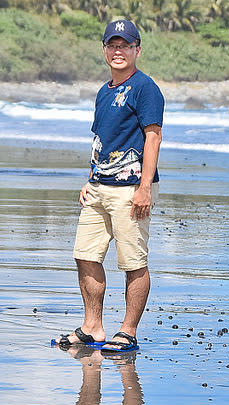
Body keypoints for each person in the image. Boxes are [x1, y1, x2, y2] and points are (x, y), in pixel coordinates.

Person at [54, 18, 164, 353]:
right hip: (99, 186)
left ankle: (128, 331)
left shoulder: (145, 88)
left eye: (125, 45)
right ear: (104, 50)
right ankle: (93, 326)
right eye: (112, 45)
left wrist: (144, 187)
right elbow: (102, 140)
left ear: (137, 50)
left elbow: (153, 137)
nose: (118, 51)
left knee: (133, 261)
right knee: (84, 255)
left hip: (131, 189)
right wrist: (89, 178)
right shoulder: (105, 91)